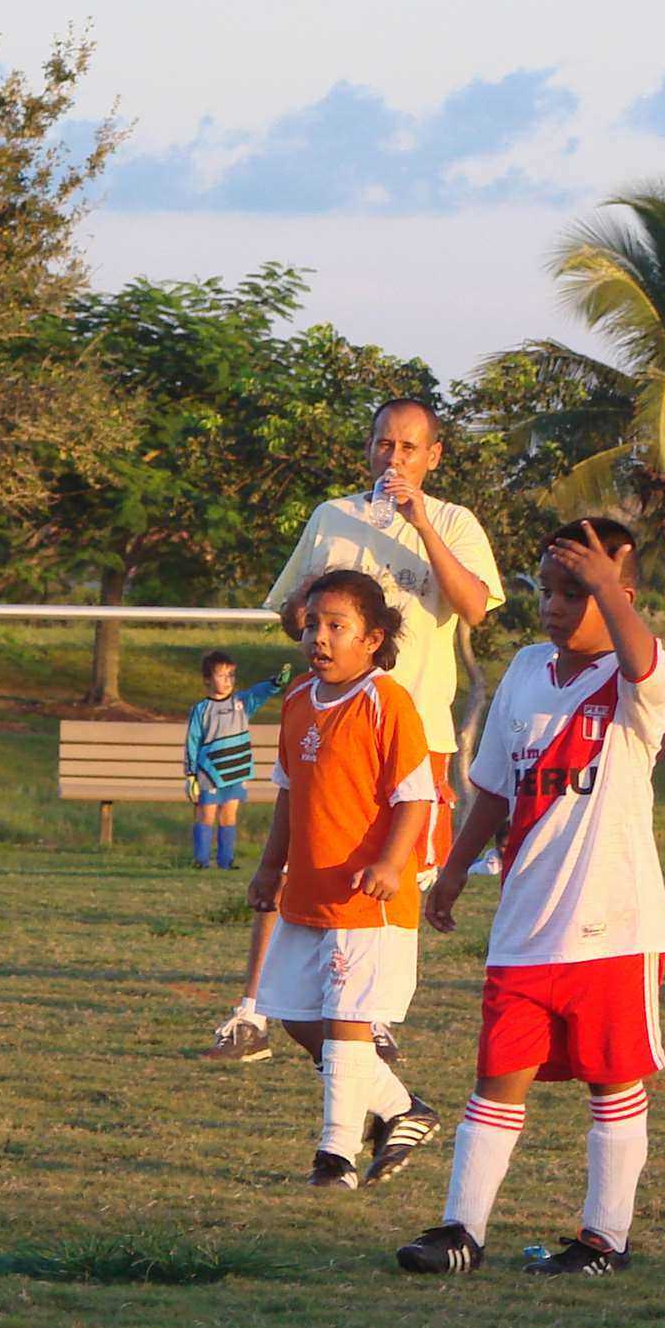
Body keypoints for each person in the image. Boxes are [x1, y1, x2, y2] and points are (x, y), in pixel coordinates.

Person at [401, 519, 665, 1279]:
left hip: (613, 928)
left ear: (621, 592)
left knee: (612, 1080)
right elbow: (494, 786)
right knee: (497, 1076)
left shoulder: (633, 677)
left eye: (575, 591)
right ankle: (461, 1231)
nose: (554, 607)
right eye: (547, 590)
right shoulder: (525, 670)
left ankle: (603, 1240)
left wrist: (606, 588)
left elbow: (646, 662)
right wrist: (455, 868)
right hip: (525, 922)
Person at [214, 401, 504, 1068]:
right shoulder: (332, 517)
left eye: (408, 448)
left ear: (433, 456)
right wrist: (310, 599)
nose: (393, 459)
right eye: (382, 445)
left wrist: (420, 522)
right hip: (328, 719)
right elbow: (290, 618)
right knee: (296, 860)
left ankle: (367, 1017)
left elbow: (473, 608)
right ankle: (253, 1011)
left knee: (394, 875)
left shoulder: (455, 522)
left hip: (412, 726)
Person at [246, 570, 442, 1189]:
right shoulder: (300, 698)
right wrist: (267, 866)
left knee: (349, 1019)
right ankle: (400, 1108)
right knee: (294, 1015)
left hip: (367, 897)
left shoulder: (387, 700)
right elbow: (286, 795)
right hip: (308, 891)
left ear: (372, 637)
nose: (319, 639)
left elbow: (416, 797)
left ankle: (335, 1158)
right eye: (312, 626)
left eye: (337, 626)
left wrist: (390, 863)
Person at [185, 651, 288, 872]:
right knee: (206, 815)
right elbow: (192, 742)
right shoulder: (201, 710)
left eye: (231, 675)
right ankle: (201, 860)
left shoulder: (241, 703)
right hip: (209, 773)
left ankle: (226, 861)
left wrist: (275, 683)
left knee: (229, 815)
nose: (227, 680)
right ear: (207, 680)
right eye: (221, 675)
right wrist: (191, 775)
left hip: (236, 772)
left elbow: (259, 693)